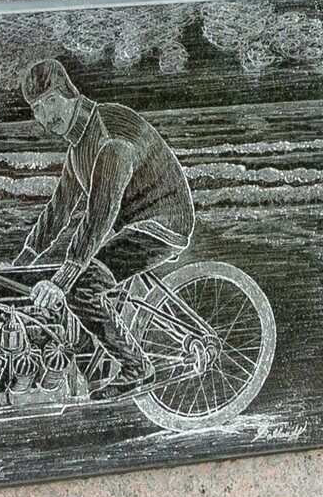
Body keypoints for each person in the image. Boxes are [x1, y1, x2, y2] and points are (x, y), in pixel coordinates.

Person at [10, 57, 194, 393]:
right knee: (67, 275)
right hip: (132, 225)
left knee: (81, 286)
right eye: (37, 108)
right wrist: (22, 262)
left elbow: (99, 214)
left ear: (70, 93)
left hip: (161, 223)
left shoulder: (109, 137)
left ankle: (137, 368)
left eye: (51, 102)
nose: (46, 117)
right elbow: (59, 210)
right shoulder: (78, 149)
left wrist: (64, 278)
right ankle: (87, 357)